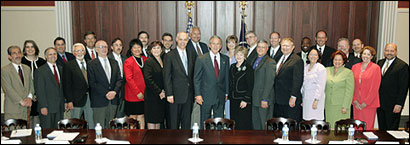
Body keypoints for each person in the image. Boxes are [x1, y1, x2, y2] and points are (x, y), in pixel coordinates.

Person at [194, 36, 229, 129]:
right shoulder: (201, 59)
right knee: (205, 122)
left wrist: (226, 93)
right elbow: (196, 78)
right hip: (205, 96)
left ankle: (218, 139)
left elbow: (226, 78)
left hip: (220, 96)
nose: (215, 46)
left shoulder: (225, 59)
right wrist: (197, 94)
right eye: (213, 43)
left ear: (221, 46)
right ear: (209, 45)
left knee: (219, 122)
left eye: (218, 44)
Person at [164, 32, 196, 130]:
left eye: (185, 40)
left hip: (188, 95)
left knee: (186, 124)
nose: (183, 42)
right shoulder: (170, 55)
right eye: (181, 39)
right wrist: (169, 94)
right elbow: (167, 76)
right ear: (176, 40)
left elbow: (193, 74)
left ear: (188, 41)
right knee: (174, 124)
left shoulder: (192, 53)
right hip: (174, 95)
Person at [88, 40, 123, 128]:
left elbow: (119, 80)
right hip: (99, 101)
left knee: (111, 127)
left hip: (113, 100)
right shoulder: (91, 64)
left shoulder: (114, 62)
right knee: (99, 127)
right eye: (101, 47)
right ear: (96, 49)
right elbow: (92, 83)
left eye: (105, 47)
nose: (104, 49)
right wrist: (106, 93)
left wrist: (114, 92)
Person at [62, 43, 94, 129]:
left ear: (84, 52)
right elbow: (66, 85)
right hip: (75, 100)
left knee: (91, 123)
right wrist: (69, 101)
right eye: (77, 51)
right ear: (73, 53)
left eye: (82, 50)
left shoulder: (90, 63)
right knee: (75, 124)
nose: (80, 53)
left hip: (90, 99)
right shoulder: (68, 65)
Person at [377, 43, 409, 130]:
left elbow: (404, 87)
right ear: (384, 52)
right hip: (380, 103)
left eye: (392, 51)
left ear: (396, 52)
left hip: (393, 105)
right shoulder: (380, 63)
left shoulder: (402, 66)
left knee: (391, 130)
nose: (389, 53)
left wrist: (399, 104)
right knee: (382, 129)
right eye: (387, 50)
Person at [273, 38, 304, 122]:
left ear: (293, 47)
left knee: (290, 124)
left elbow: (298, 80)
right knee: (280, 123)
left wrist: (293, 97)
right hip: (278, 99)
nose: (285, 47)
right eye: (283, 45)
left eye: (287, 46)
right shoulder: (279, 58)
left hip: (289, 99)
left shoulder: (297, 60)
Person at [1, 45, 34, 122]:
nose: (18, 55)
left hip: (26, 110)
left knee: (26, 133)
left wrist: (29, 98)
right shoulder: (5, 70)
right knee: (13, 133)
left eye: (19, 53)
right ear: (9, 56)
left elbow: (31, 85)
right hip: (13, 109)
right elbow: (8, 89)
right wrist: (21, 101)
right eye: (14, 53)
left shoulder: (27, 68)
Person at [352, 46, 381, 130]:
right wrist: (354, 100)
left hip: (369, 104)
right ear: (361, 55)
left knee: (367, 127)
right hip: (356, 103)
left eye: (368, 54)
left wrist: (366, 102)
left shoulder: (376, 68)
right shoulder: (355, 67)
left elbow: (375, 88)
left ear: (372, 57)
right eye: (364, 53)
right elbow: (352, 85)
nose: (366, 56)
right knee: (357, 127)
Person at [35, 47, 64, 129]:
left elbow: (62, 88)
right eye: (50, 54)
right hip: (47, 107)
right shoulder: (40, 71)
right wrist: (43, 106)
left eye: (54, 54)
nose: (53, 56)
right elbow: (39, 90)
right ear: (46, 57)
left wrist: (64, 102)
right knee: (47, 131)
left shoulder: (61, 69)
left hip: (59, 106)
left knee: (58, 131)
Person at [325, 51, 354, 129]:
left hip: (341, 106)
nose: (337, 62)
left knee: (340, 130)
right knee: (330, 128)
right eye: (335, 59)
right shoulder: (327, 70)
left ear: (343, 61)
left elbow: (349, 92)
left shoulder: (348, 72)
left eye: (339, 60)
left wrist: (345, 106)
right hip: (328, 105)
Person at [21, 40, 46, 128]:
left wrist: (38, 94)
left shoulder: (42, 62)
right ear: (24, 49)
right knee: (29, 121)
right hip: (27, 97)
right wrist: (31, 95)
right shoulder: (21, 62)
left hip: (41, 97)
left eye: (32, 47)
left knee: (40, 122)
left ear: (35, 48)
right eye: (27, 47)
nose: (30, 49)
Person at [251, 40, 276, 130]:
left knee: (264, 125)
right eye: (259, 47)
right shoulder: (255, 59)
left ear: (267, 49)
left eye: (263, 47)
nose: (260, 49)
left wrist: (265, 98)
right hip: (255, 98)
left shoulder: (270, 62)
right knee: (256, 125)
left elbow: (269, 82)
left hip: (264, 99)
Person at [124, 39, 147, 129]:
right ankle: (133, 137)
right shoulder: (128, 61)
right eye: (134, 47)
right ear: (131, 49)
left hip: (144, 93)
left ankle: (141, 135)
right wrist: (138, 92)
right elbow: (129, 79)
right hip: (133, 94)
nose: (137, 49)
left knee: (141, 115)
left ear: (141, 49)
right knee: (133, 117)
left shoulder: (146, 59)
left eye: (139, 47)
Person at [229, 46, 254, 130]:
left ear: (245, 56)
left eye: (241, 55)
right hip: (233, 99)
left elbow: (250, 85)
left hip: (243, 101)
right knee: (234, 122)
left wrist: (246, 99)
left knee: (243, 123)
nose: (238, 57)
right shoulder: (232, 67)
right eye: (237, 54)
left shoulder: (248, 67)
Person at [143, 41, 167, 130]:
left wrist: (164, 91)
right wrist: (159, 91)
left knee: (158, 120)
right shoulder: (149, 61)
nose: (156, 50)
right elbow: (148, 80)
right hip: (152, 96)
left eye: (158, 48)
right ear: (150, 50)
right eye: (154, 48)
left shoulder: (163, 60)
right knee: (152, 120)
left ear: (161, 50)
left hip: (162, 95)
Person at [301, 48, 326, 121]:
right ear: (308, 56)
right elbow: (303, 84)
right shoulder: (305, 67)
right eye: (311, 54)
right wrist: (302, 98)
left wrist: (316, 100)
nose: (313, 56)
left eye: (315, 55)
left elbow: (321, 86)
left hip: (316, 99)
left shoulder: (321, 68)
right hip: (306, 99)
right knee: (307, 120)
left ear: (318, 57)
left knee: (315, 121)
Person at [107, 38, 127, 118]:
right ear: (111, 47)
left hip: (123, 90)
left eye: (120, 45)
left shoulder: (125, 59)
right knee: (111, 116)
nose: (118, 47)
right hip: (112, 90)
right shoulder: (108, 59)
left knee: (121, 115)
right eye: (116, 45)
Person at [224, 35, 238, 119]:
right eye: (229, 42)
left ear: (236, 43)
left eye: (233, 42)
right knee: (227, 109)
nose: (231, 44)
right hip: (226, 87)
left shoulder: (239, 56)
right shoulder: (223, 56)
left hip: (236, 88)